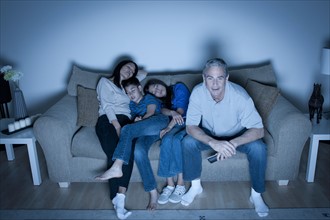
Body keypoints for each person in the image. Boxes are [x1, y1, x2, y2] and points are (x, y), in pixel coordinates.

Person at [181, 58, 269, 217]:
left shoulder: (240, 96)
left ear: (227, 78)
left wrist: (232, 144)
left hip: (237, 136)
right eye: (210, 78)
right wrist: (213, 142)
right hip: (210, 135)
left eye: (220, 78)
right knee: (188, 142)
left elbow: (259, 130)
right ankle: (195, 187)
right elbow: (191, 126)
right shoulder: (197, 92)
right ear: (204, 78)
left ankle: (256, 194)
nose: (215, 84)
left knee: (259, 148)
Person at [95, 77, 169, 181]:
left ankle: (117, 167)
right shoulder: (131, 105)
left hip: (159, 122)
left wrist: (140, 120)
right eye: (128, 93)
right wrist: (135, 122)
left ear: (139, 88)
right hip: (147, 132)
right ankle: (153, 191)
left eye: (133, 90)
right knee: (138, 151)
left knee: (126, 129)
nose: (131, 94)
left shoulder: (148, 97)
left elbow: (151, 112)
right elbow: (134, 121)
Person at [95, 60, 139, 220]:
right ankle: (117, 198)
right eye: (127, 67)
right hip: (108, 120)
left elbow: (143, 73)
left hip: (126, 121)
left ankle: (119, 198)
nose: (130, 71)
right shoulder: (105, 82)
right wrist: (118, 128)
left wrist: (132, 74)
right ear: (119, 66)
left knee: (129, 149)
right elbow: (107, 106)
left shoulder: (128, 88)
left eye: (133, 71)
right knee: (116, 151)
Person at [142, 79, 190, 205]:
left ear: (161, 83)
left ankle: (180, 184)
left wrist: (168, 127)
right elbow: (163, 111)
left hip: (190, 123)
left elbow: (180, 111)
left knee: (176, 141)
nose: (157, 90)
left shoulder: (179, 87)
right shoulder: (162, 102)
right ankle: (170, 184)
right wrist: (171, 112)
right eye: (154, 92)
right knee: (166, 139)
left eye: (156, 86)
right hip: (174, 125)